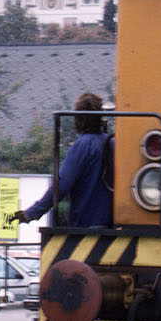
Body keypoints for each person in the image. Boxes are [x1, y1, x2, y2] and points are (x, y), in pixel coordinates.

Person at [18, 93, 113, 228]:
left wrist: (31, 213)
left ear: (78, 118)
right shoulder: (112, 143)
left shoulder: (82, 146)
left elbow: (61, 185)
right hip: (112, 223)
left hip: (87, 225)